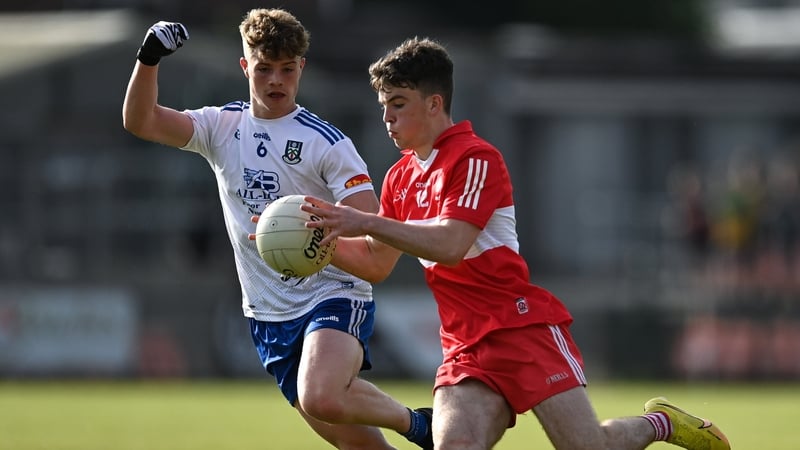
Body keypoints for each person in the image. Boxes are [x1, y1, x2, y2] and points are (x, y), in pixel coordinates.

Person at [300, 37, 732, 450]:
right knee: (456, 444)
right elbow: (378, 264)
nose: (387, 118)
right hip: (464, 344)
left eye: (398, 104)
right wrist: (316, 243)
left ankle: (663, 423)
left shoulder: (474, 158)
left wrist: (362, 221)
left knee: (587, 445)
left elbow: (450, 243)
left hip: (519, 326)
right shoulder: (399, 178)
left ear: (434, 104)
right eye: (384, 107)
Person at [122, 10, 432, 450]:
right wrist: (149, 57)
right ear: (245, 66)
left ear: (301, 68)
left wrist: (315, 242)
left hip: (333, 294)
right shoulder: (220, 127)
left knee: (320, 393)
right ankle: (418, 427)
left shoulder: (327, 143)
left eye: (287, 69)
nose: (276, 80)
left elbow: (376, 254)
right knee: (361, 446)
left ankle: (419, 425)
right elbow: (141, 121)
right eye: (264, 67)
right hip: (268, 314)